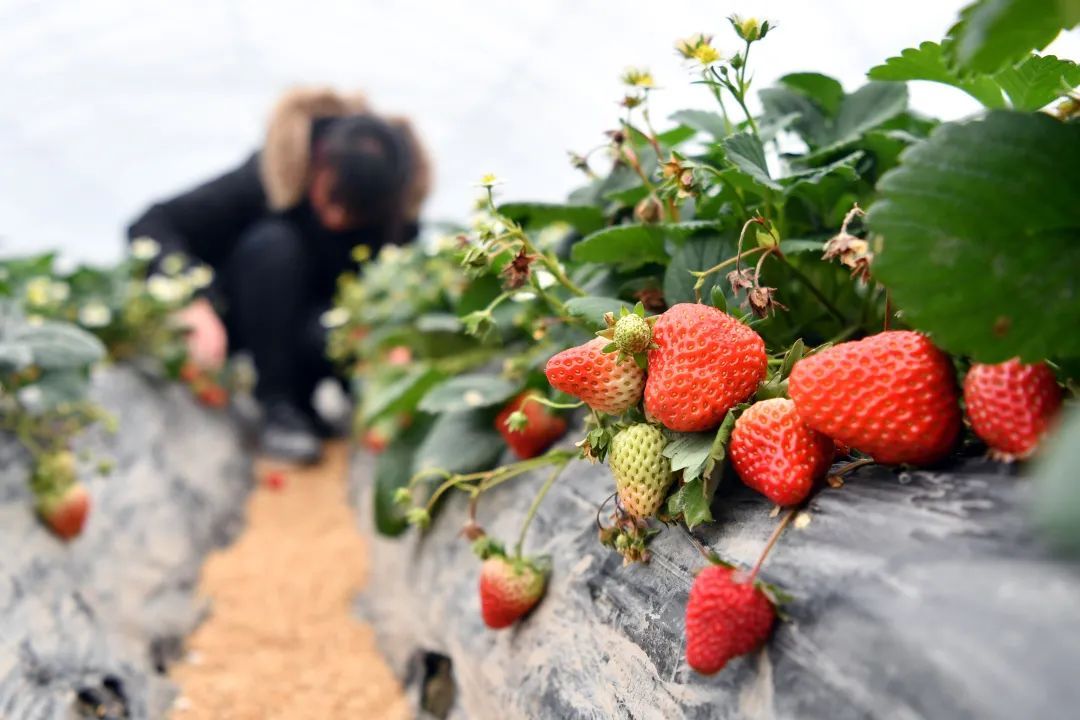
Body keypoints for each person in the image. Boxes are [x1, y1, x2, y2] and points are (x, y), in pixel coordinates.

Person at [127, 88, 431, 463]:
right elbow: (150, 224)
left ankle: (326, 405)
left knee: (348, 321)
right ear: (320, 163)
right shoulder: (268, 173)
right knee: (272, 244)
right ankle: (278, 408)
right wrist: (194, 302)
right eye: (333, 198)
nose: (337, 219)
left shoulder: (396, 217)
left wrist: (393, 345)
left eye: (356, 213)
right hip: (249, 326)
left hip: (322, 330)